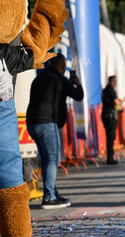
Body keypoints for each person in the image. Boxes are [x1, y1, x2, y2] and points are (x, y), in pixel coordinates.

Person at [26, 54, 84, 209]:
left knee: (46, 159)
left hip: (32, 124)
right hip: (47, 123)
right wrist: (77, 84)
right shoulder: (59, 79)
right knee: (53, 159)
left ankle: (53, 192)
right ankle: (50, 197)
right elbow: (78, 96)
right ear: (63, 67)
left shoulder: (39, 78)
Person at [101, 75, 124, 165]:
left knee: (110, 137)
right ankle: (110, 158)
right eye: (114, 81)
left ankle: (110, 156)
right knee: (111, 137)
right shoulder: (110, 90)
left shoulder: (107, 90)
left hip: (107, 115)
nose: (115, 83)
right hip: (109, 116)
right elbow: (116, 102)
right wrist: (121, 101)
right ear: (110, 81)